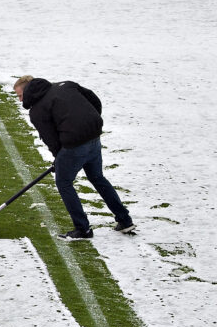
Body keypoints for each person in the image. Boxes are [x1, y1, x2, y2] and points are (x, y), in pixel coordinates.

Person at [13, 75, 134, 240]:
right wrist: (90, 123)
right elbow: (93, 99)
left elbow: (51, 139)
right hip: (93, 137)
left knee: (63, 182)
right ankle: (125, 220)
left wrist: (59, 158)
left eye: (20, 95)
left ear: (28, 89)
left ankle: (82, 229)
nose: (20, 101)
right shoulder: (65, 85)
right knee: (97, 177)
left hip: (74, 145)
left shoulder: (37, 110)